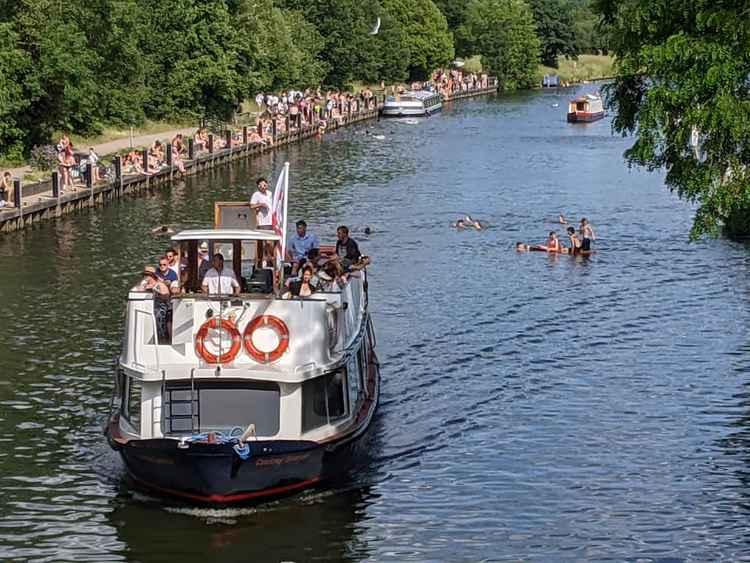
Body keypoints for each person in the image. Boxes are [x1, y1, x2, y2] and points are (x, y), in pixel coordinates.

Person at [133, 266, 172, 343]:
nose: (145, 277)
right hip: (149, 308)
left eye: (147, 275)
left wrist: (157, 293)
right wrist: (143, 284)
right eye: (144, 275)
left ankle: (162, 339)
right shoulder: (144, 286)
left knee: (158, 316)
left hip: (161, 308)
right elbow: (135, 291)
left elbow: (166, 295)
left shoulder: (159, 285)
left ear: (152, 276)